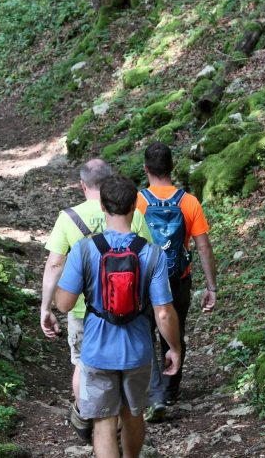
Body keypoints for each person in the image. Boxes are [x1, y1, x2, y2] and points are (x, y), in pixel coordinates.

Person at [53, 175, 181, 458]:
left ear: (102, 206)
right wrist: (174, 348)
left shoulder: (84, 250)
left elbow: (63, 305)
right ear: (136, 205)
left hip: (97, 351)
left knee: (103, 422)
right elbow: (163, 312)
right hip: (138, 351)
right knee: (134, 415)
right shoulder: (152, 253)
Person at [39, 158, 152, 440]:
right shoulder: (131, 212)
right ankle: (117, 424)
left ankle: (89, 418)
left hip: (82, 309)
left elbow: (54, 264)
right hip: (128, 307)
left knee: (82, 363)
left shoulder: (68, 217)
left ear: (82, 185)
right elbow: (148, 255)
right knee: (124, 364)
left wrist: (46, 307)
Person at [137, 142, 219, 422]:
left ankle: (155, 394)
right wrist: (211, 286)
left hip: (145, 280)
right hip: (178, 279)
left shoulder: (137, 202)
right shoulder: (189, 202)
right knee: (174, 330)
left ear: (146, 169)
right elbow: (203, 247)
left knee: (144, 333)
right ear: (172, 167)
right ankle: (171, 389)